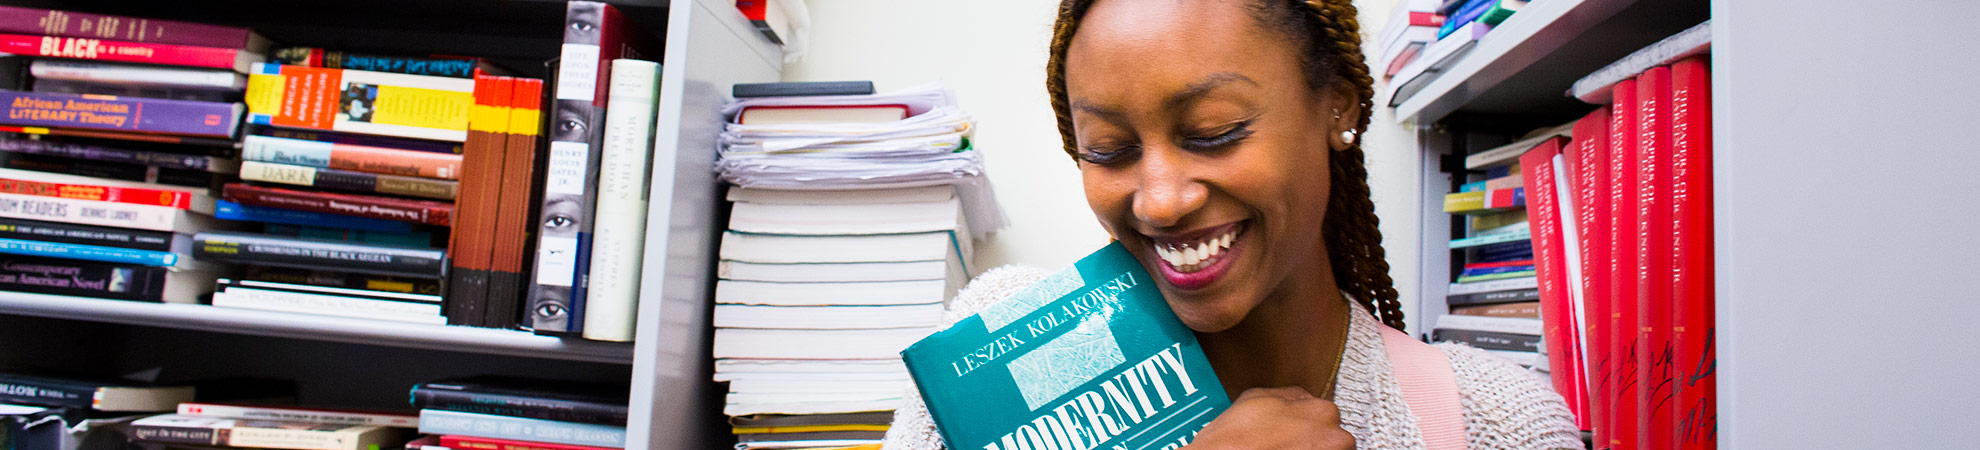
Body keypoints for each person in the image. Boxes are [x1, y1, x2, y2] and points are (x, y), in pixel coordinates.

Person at [883, 0, 1582, 449]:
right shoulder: (990, 351)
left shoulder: (1494, 421)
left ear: (1336, 107)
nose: (1159, 201)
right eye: (1108, 150)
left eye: (1214, 132)